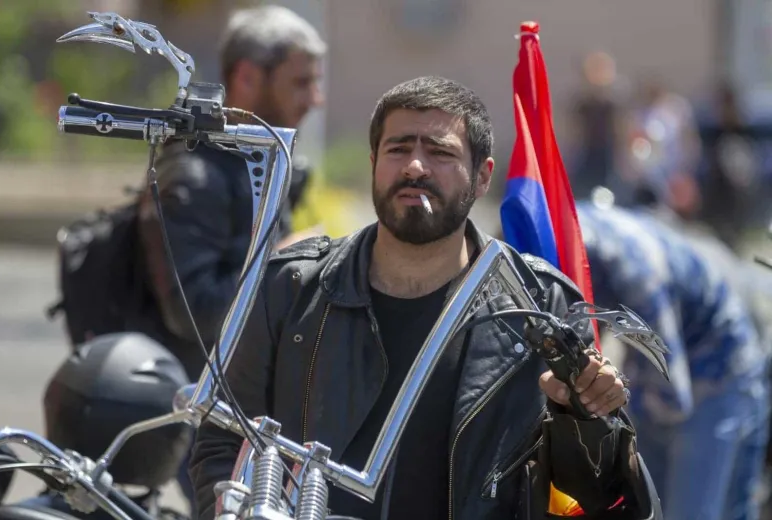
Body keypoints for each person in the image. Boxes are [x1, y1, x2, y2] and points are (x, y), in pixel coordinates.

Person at [189, 76, 657, 520]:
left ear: (482, 177)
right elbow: (222, 441)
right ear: (374, 164)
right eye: (398, 149)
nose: (415, 167)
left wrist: (585, 417)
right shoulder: (291, 287)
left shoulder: (540, 305)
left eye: (440, 152)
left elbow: (601, 499)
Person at [137, 4, 327, 381]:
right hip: (190, 400)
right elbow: (194, 314)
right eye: (300, 83)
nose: (315, 99)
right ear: (247, 77)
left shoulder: (260, 162)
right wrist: (286, 259)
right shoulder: (195, 176)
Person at [576, 192, 771, 520]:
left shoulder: (636, 273)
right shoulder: (566, 227)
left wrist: (611, 416)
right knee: (647, 504)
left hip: (720, 371)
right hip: (674, 360)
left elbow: (671, 391)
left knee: (687, 510)